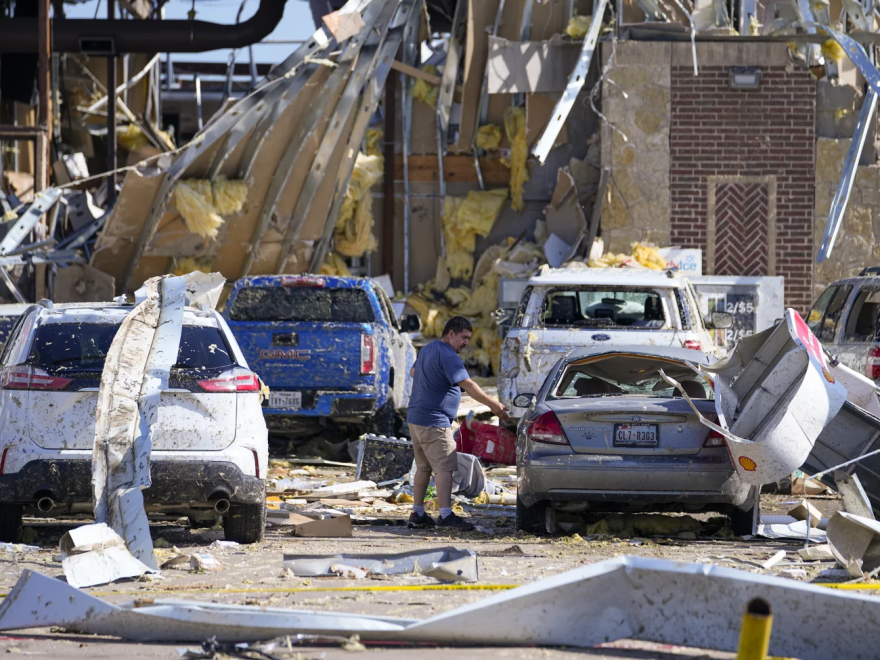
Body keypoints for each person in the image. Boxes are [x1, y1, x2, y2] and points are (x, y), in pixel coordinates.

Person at [406, 315, 509, 530]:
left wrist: (434, 382)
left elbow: (413, 372)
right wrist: (494, 406)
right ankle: (445, 516)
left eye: (468, 339)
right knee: (444, 467)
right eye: (463, 337)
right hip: (434, 420)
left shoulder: (428, 348)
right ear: (451, 334)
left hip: (416, 418)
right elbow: (468, 384)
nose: (465, 343)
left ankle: (417, 514)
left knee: (423, 468)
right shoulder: (448, 355)